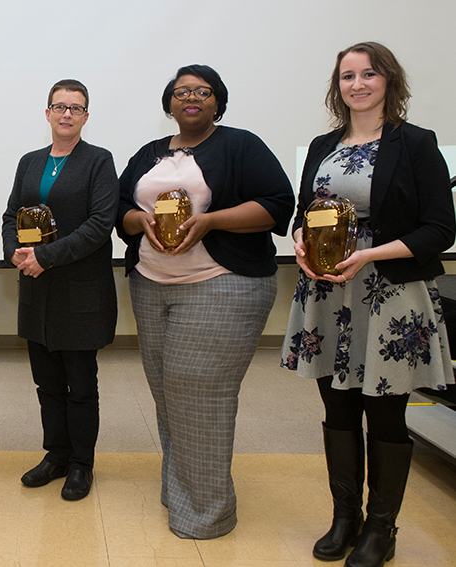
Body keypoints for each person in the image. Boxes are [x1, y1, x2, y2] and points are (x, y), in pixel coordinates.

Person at [280, 42, 454, 566]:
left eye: (369, 74)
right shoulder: (322, 144)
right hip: (327, 293)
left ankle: (381, 529)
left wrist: (370, 254)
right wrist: (301, 245)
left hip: (389, 293)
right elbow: (304, 213)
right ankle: (345, 519)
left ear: (389, 81)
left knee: (384, 415)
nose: (357, 84)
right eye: (347, 76)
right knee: (337, 409)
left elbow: (440, 229)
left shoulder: (415, 143)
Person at [116, 65, 294, 538]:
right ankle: (183, 489)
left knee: (198, 393)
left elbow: (278, 204)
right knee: (168, 393)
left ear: (218, 102)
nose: (191, 98)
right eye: (181, 92)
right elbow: (121, 210)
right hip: (151, 284)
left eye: (202, 91)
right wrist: (139, 220)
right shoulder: (149, 153)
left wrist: (211, 221)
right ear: (168, 103)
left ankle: (207, 513)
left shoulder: (241, 145)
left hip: (222, 282)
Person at [3, 79, 119, 501]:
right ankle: (56, 455)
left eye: (76, 107)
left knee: (80, 385)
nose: (67, 114)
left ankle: (81, 464)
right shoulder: (30, 162)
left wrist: (45, 257)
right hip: (37, 291)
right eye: (59, 106)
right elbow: (12, 214)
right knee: (47, 384)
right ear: (47, 113)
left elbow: (99, 224)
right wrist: (15, 252)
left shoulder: (98, 161)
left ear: (86, 116)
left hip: (80, 291)